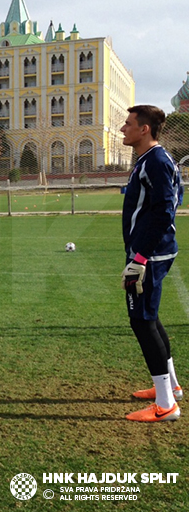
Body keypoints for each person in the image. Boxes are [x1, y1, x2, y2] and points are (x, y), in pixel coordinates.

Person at [120, 105, 183, 422]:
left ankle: (166, 405)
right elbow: (177, 196)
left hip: (150, 254)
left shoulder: (155, 161)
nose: (122, 129)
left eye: (128, 124)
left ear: (144, 129)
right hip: (154, 251)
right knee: (150, 317)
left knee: (142, 320)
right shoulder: (155, 160)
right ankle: (171, 387)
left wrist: (140, 257)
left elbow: (163, 211)